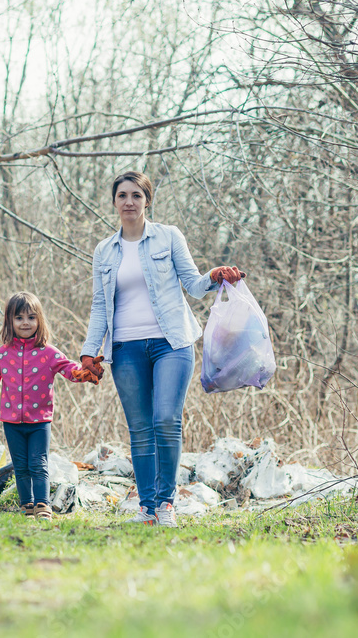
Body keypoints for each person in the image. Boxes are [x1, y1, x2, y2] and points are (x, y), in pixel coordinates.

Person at [80, 171, 243, 527]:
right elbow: (98, 305)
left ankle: (166, 503)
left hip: (172, 343)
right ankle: (147, 506)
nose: (128, 202)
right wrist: (89, 351)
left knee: (165, 420)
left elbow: (194, 286)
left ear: (147, 200)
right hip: (125, 348)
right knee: (139, 428)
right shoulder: (104, 251)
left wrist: (214, 276)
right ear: (113, 202)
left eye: (136, 195)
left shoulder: (169, 237)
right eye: (122, 195)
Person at [0, 292, 99, 521]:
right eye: (19, 318)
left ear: (39, 320)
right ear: (10, 321)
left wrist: (83, 373)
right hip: (11, 421)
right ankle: (26, 505)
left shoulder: (48, 352)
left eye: (31, 317)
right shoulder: (3, 354)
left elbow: (69, 369)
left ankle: (43, 505)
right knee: (21, 466)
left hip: (39, 421)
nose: (25, 322)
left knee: (38, 463)